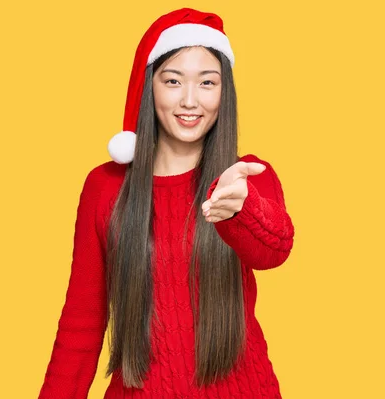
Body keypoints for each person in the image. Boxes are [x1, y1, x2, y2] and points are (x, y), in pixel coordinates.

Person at [38, 7, 295, 399]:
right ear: (150, 87)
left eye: (207, 83)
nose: (190, 101)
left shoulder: (246, 177)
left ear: (224, 91)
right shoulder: (104, 187)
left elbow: (274, 249)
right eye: (173, 80)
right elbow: (80, 326)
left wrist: (243, 211)